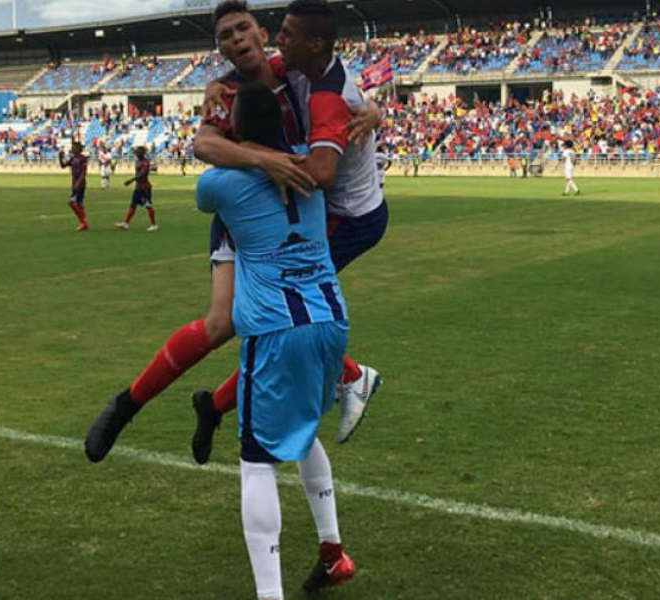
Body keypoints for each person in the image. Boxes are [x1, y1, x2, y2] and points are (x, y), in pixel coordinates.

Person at [82, 0, 382, 465]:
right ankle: (127, 405)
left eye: (244, 28)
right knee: (226, 322)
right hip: (244, 214)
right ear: (220, 48)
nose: (237, 39)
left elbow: (343, 92)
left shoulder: (297, 74)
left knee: (270, 318)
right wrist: (265, 160)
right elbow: (203, 142)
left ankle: (219, 404)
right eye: (226, 36)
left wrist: (374, 110)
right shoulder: (228, 93)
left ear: (263, 35)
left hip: (295, 215)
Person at [198, 78, 354, 600]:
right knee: (303, 429)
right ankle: (332, 551)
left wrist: (218, 125)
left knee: (256, 461)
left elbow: (203, 168)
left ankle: (270, 595)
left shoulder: (224, 183)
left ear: (238, 127)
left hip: (274, 328)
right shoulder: (310, 165)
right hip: (330, 318)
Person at [116, 146, 158, 231]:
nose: (136, 154)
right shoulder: (137, 161)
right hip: (138, 187)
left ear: (142, 153)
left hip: (144, 188)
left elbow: (142, 174)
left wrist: (131, 180)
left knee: (148, 205)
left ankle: (154, 225)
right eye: (136, 152)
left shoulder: (145, 162)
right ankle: (126, 223)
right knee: (133, 205)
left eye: (138, 152)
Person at [60, 141, 90, 231]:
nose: (72, 149)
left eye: (74, 147)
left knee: (72, 202)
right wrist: (60, 157)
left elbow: (84, 173)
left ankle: (83, 222)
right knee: (79, 203)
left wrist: (77, 183)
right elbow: (63, 165)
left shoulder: (83, 158)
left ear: (78, 149)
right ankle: (83, 223)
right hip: (75, 184)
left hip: (80, 184)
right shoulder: (73, 158)